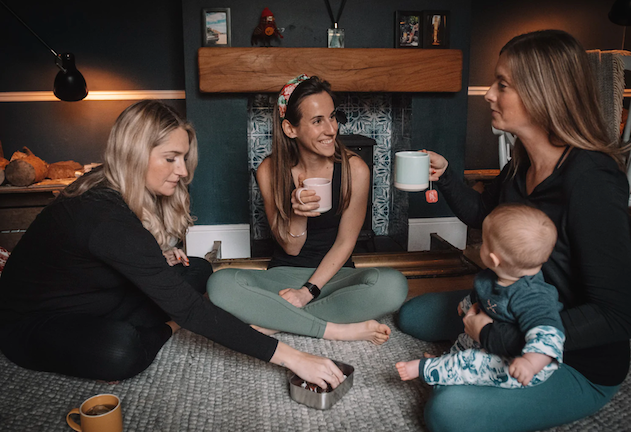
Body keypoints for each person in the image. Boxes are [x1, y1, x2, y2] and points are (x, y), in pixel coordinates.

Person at [0, 100, 346, 389]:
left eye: (183, 158)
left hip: (94, 296)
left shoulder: (114, 185)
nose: (183, 171)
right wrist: (294, 357)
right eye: (171, 158)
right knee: (121, 351)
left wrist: (156, 258)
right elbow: (193, 309)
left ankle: (156, 319)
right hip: (34, 323)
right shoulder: (102, 214)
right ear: (135, 154)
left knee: (195, 269)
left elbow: (112, 255)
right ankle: (168, 328)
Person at [396, 30, 631, 432]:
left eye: (502, 84)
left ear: (543, 93)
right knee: (412, 316)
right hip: (511, 305)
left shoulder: (592, 183)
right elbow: (483, 218)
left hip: (572, 357)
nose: (488, 94)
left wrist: (493, 335)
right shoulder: (521, 163)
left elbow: (615, 316)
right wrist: (447, 176)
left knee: (447, 413)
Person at [207, 75, 408, 344]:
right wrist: (298, 215)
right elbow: (290, 248)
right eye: (317, 121)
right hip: (282, 276)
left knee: (393, 286)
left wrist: (308, 292)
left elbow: (346, 243)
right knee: (219, 285)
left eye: (332, 117)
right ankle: (335, 329)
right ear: (291, 129)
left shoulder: (355, 169)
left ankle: (278, 321)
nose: (331, 129)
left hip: (335, 278)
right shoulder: (270, 171)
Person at [397, 203, 564, 389]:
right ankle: (448, 361)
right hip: (487, 334)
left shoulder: (534, 296)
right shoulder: (491, 276)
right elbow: (482, 295)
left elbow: (548, 335)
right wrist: (467, 304)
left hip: (520, 363)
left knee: (473, 361)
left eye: (483, 243)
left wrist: (530, 363)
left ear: (493, 259)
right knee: (465, 340)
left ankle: (428, 369)